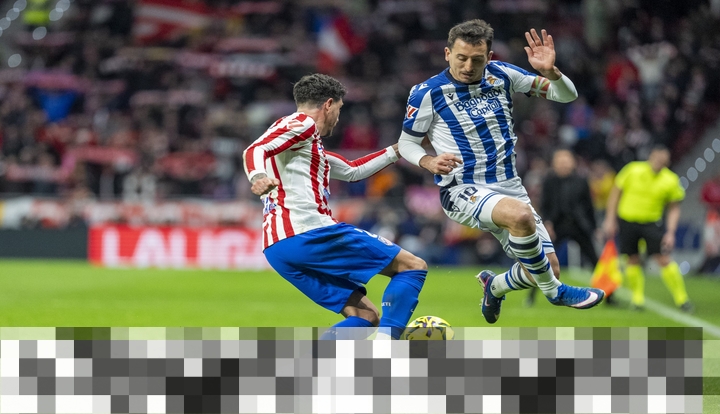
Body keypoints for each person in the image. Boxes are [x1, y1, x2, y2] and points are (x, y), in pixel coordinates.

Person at [398, 19, 605, 324]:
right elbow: (407, 143)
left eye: (477, 59)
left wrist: (551, 73)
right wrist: (427, 161)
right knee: (522, 219)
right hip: (462, 189)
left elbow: (566, 95)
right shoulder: (427, 92)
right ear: (447, 53)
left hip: (509, 186)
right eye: (461, 58)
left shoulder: (503, 74)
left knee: (546, 268)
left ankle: (494, 286)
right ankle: (555, 293)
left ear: (489, 56)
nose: (468, 66)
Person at [243, 74, 427, 340]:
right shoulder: (303, 123)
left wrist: (404, 148)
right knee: (412, 266)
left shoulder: (302, 145)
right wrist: (258, 176)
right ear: (329, 105)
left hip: (279, 247)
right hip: (308, 232)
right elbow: (254, 149)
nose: (339, 119)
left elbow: (353, 171)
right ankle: (387, 347)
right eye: (339, 110)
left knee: (365, 316)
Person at [602, 146, 693, 312]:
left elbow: (674, 208)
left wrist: (671, 232)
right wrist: (610, 219)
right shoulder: (632, 170)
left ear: (667, 162)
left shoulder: (671, 180)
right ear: (650, 156)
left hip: (652, 223)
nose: (659, 162)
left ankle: (682, 299)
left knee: (663, 258)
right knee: (631, 259)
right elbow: (615, 194)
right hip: (628, 221)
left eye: (663, 160)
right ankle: (637, 299)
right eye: (657, 157)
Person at [526, 149, 600, 306]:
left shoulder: (581, 180)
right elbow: (544, 205)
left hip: (579, 226)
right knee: (543, 260)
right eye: (560, 161)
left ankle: (610, 297)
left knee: (596, 261)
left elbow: (589, 206)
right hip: (556, 226)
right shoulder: (549, 181)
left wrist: (594, 228)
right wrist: (547, 223)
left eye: (566, 161)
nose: (564, 164)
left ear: (573, 163)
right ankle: (531, 296)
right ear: (554, 164)